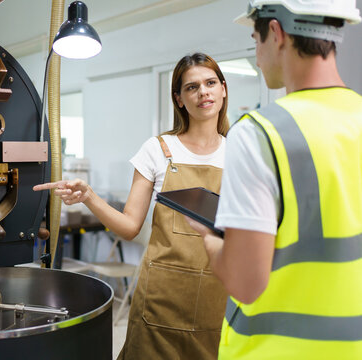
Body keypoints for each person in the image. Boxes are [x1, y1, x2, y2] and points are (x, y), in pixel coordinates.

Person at [187, 1, 362, 359]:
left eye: (255, 40)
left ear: (276, 34)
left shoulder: (259, 133)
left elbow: (245, 283)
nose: (257, 56)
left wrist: (210, 237)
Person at [34, 53, 229, 359]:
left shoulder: (240, 153)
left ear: (223, 89)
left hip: (218, 294)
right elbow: (129, 226)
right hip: (162, 296)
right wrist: (89, 196)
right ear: (179, 99)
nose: (203, 92)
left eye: (210, 83)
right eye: (192, 87)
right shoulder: (159, 149)